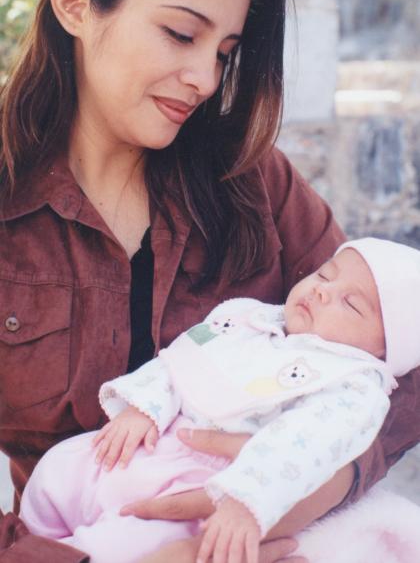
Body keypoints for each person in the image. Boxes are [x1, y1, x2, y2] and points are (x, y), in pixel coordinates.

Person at [0, 0, 419, 562]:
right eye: (180, 33)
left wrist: (323, 481)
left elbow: (400, 356)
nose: (204, 79)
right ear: (76, 3)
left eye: (225, 52)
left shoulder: (252, 181)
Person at [19, 237, 420, 563]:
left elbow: (300, 451)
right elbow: (184, 357)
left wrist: (245, 503)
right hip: (144, 446)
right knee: (55, 470)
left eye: (351, 303)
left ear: (384, 351)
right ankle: (40, 543)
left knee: (118, 548)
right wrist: (145, 407)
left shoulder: (352, 388)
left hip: (209, 483)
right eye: (324, 274)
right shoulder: (253, 322)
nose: (321, 291)